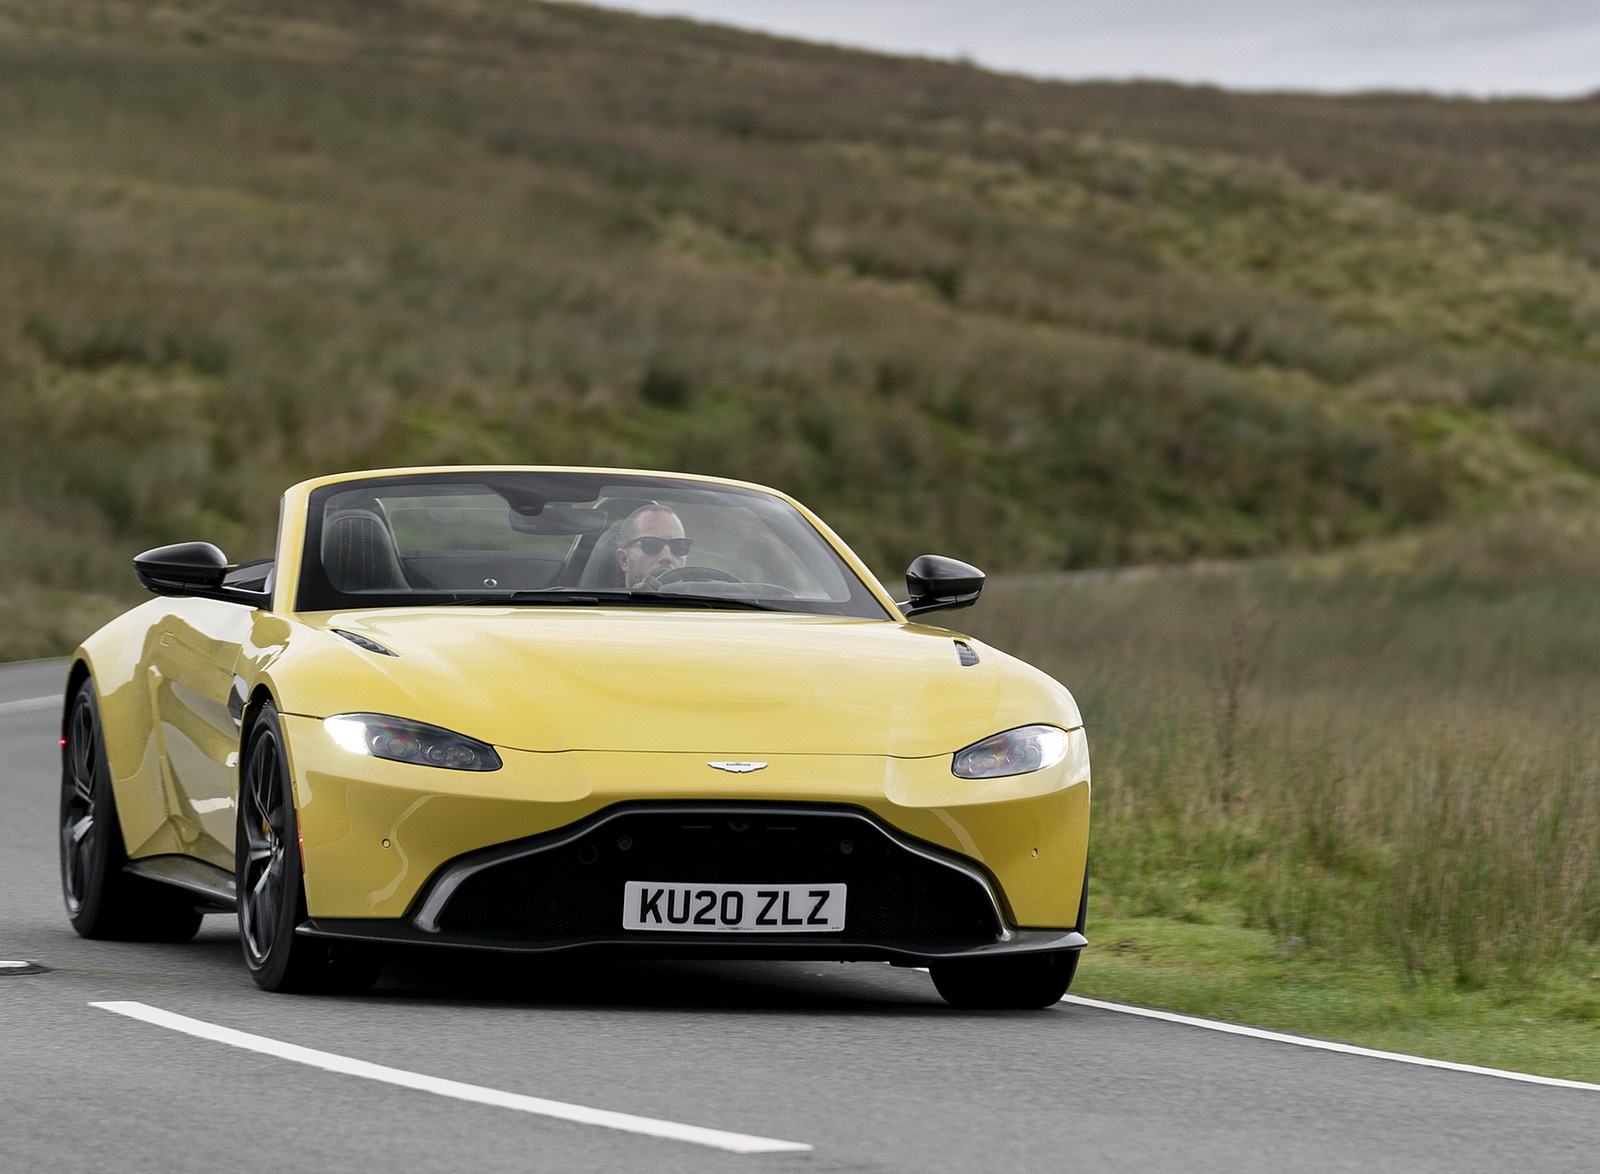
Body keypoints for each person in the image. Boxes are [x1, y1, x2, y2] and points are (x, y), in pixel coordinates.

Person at [613, 504, 691, 590]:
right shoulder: (605, 602)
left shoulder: (702, 599)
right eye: (652, 545)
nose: (667, 557)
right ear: (624, 559)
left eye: (678, 546)